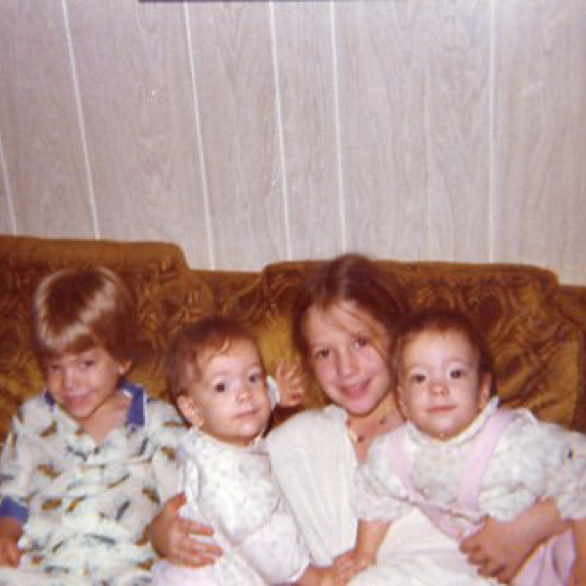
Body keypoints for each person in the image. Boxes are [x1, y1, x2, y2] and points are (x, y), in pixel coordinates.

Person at [151, 254, 567, 585]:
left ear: (398, 338)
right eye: (324, 353)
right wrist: (162, 534)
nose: (346, 368)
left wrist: (525, 530)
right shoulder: (292, 442)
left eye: (361, 342)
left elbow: (573, 474)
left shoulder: (453, 417)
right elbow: (210, 495)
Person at [347, 308, 585, 585]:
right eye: (419, 378)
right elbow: (376, 497)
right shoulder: (395, 453)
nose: (438, 388)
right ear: (402, 401)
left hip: (555, 546)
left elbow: (578, 468)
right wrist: (365, 553)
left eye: (455, 373)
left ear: (483, 390)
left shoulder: (510, 442)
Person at [0, 266, 184, 585]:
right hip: (43, 568)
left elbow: (181, 499)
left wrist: (171, 534)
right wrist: (6, 535)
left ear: (122, 359)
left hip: (127, 569)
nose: (69, 381)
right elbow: (11, 494)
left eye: (86, 363)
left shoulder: (158, 422)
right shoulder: (31, 419)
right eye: (55, 366)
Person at [151, 315, 317, 585]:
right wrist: (310, 577)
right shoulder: (221, 477)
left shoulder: (220, 428)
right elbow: (263, 540)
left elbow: (254, 400)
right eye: (221, 386)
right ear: (192, 410)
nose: (244, 393)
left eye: (253, 377)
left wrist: (276, 392)